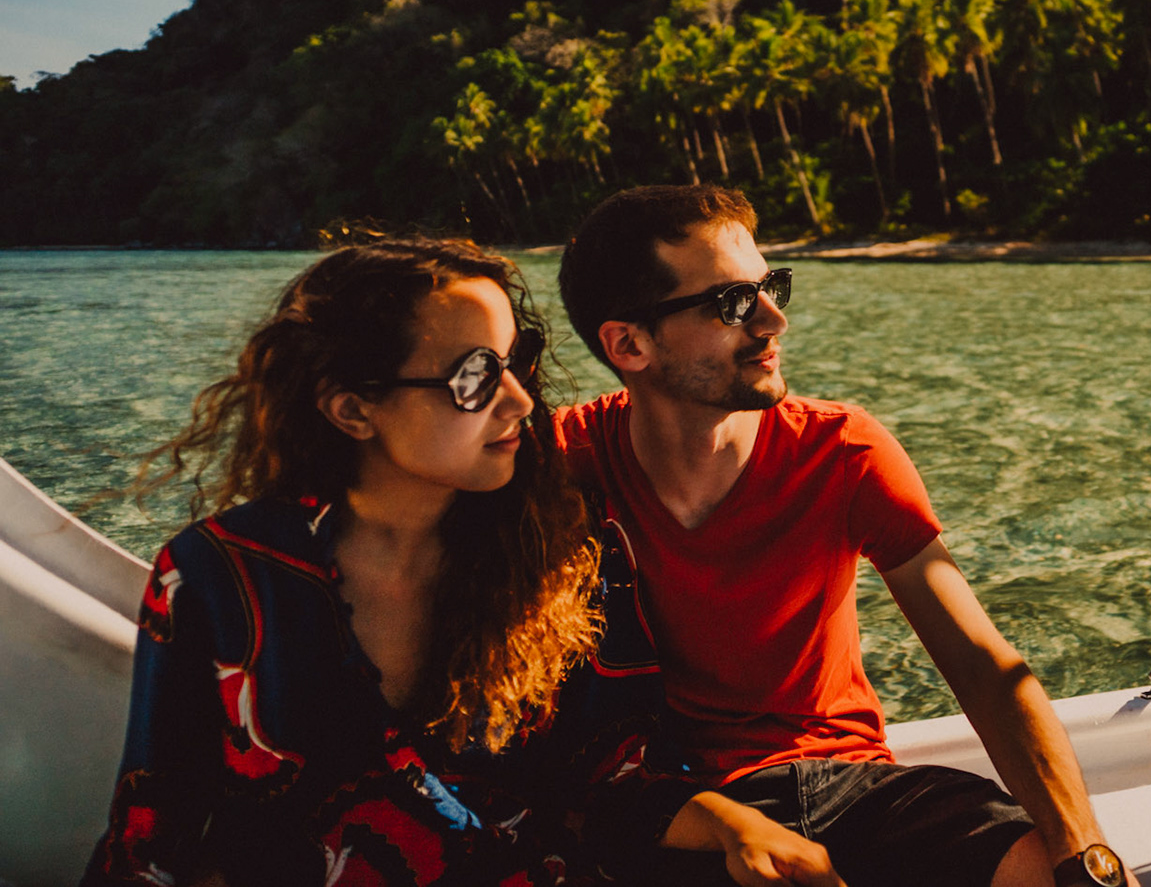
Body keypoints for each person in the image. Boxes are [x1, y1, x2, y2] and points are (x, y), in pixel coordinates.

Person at [85, 237, 842, 887]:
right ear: (353, 409)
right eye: (475, 377)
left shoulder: (565, 551)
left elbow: (606, 772)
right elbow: (157, 833)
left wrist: (730, 825)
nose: (518, 400)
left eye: (516, 363)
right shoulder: (223, 579)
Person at [555, 187, 1136, 887]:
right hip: (682, 810)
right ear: (630, 344)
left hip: (849, 785)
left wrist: (1083, 852)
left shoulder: (843, 452)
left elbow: (982, 664)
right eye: (733, 303)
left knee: (1045, 873)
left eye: (772, 287)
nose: (774, 320)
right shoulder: (559, 469)